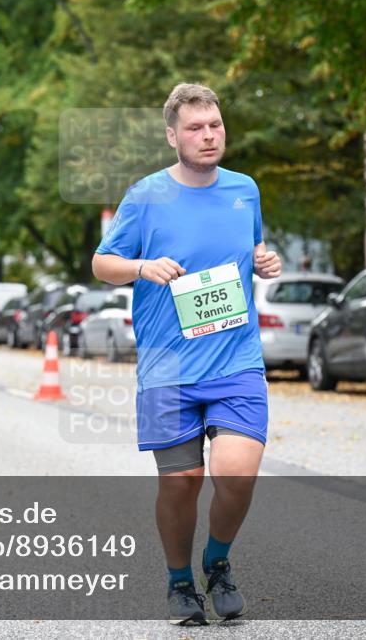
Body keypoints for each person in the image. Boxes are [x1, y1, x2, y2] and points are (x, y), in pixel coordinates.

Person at [92, 83, 282, 625]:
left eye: (215, 125)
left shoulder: (245, 189)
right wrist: (141, 267)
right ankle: (180, 582)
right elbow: (102, 263)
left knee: (237, 473)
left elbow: (249, 248)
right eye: (196, 128)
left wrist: (263, 260)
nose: (208, 135)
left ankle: (216, 561)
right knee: (180, 483)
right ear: (173, 135)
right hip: (166, 366)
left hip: (235, 360)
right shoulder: (145, 195)